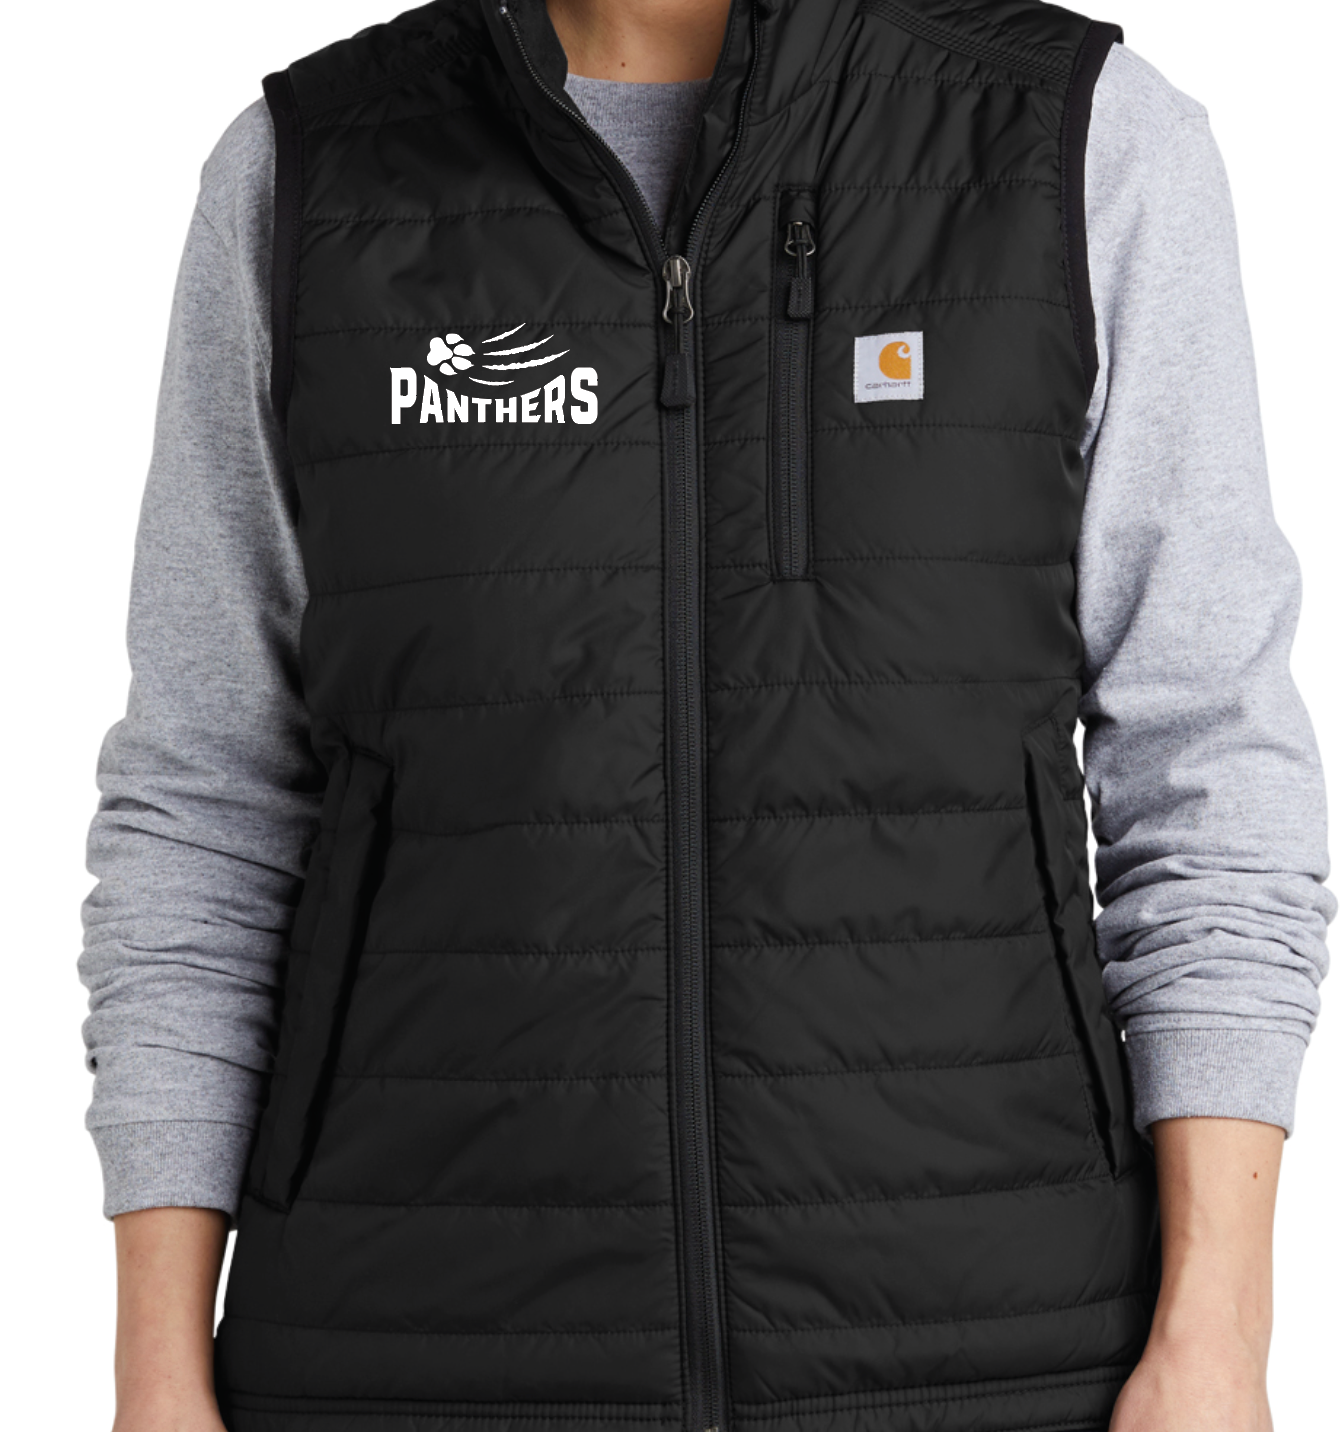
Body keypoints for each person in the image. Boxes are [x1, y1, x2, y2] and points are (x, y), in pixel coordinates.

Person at [81, 2, 1333, 1431]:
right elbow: (207, 803)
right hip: (403, 1358)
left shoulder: (1078, 144)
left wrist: (1218, 1336)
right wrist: (154, 1372)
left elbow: (1207, 764)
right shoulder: (309, 175)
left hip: (999, 1356)